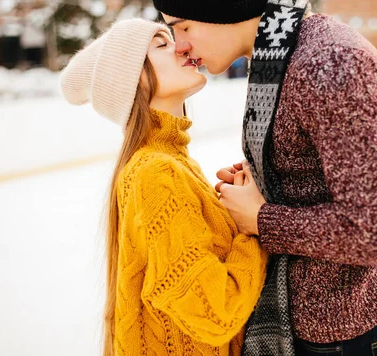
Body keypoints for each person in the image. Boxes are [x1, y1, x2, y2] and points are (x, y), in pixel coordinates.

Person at [150, 0, 377, 355]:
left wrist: (261, 219)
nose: (181, 45)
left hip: (352, 335)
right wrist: (266, 175)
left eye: (183, 26)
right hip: (320, 328)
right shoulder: (280, 55)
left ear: (220, 5)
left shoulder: (328, 65)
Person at [60, 18, 267, 356]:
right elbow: (213, 311)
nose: (182, 47)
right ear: (135, 79)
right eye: (162, 44)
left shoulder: (170, 163)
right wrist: (252, 226)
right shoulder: (157, 172)